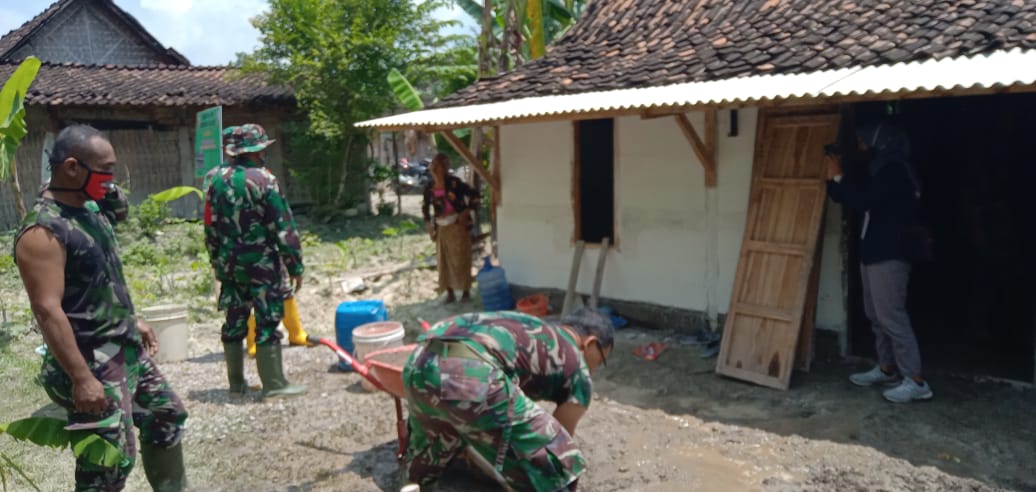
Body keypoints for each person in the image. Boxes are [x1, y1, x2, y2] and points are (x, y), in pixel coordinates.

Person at [14, 125, 188, 491]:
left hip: (121, 346)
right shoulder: (44, 231)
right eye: (105, 169)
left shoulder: (90, 210)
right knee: (107, 464)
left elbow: (101, 277)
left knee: (166, 413)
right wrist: (81, 378)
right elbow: (47, 309)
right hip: (90, 358)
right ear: (72, 168)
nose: (111, 179)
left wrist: (130, 319)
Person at [402, 308, 613, 491]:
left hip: (418, 359)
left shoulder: (532, 327)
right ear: (591, 343)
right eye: (602, 359)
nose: (595, 368)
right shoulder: (578, 368)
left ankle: (417, 482)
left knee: (433, 446)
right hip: (467, 370)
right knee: (559, 462)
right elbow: (560, 433)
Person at [825, 120, 933, 403]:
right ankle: (887, 368)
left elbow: (865, 201)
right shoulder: (878, 169)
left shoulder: (895, 170)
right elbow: (845, 196)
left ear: (880, 142)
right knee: (875, 316)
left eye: (864, 142)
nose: (861, 147)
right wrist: (833, 178)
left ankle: (915, 379)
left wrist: (840, 178)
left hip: (891, 253)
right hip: (873, 251)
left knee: (892, 317)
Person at [205, 123, 306, 398]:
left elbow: (209, 225)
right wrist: (294, 264)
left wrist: (216, 261)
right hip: (261, 265)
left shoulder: (213, 179)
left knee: (234, 320)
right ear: (256, 149)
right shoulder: (264, 179)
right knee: (266, 320)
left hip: (229, 265)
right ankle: (274, 384)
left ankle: (236, 384)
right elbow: (283, 227)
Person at [422, 153, 480, 303]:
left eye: (439, 165)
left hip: (458, 226)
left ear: (445, 168)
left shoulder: (455, 183)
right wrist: (428, 225)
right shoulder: (429, 187)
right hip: (441, 228)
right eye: (433, 165)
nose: (435, 168)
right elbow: (425, 209)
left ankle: (466, 292)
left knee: (461, 259)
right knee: (444, 262)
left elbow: (475, 195)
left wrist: (466, 211)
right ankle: (450, 293)